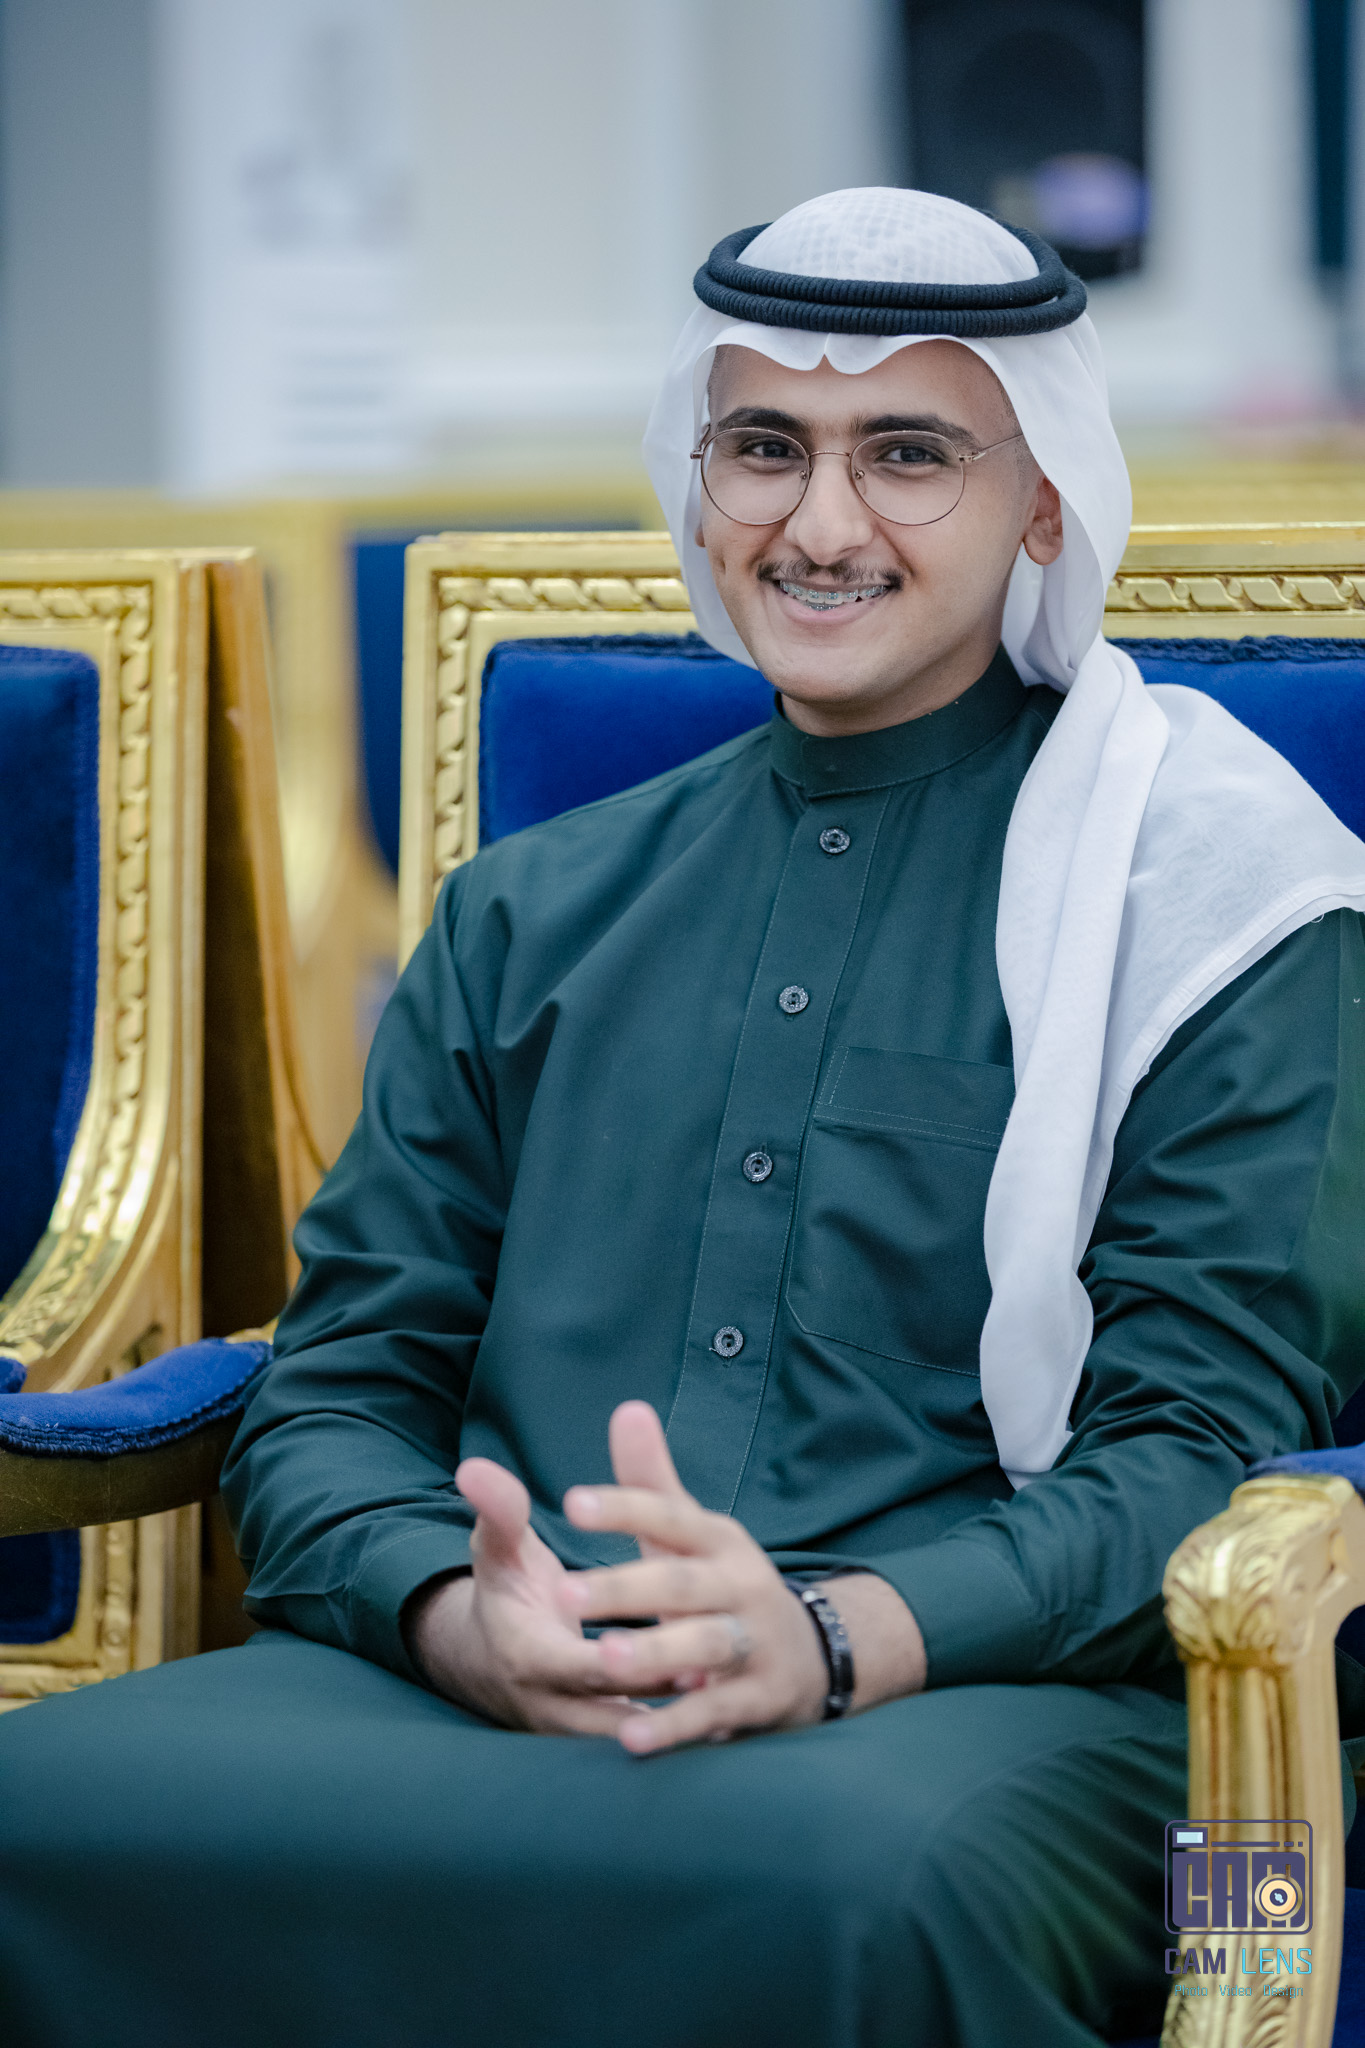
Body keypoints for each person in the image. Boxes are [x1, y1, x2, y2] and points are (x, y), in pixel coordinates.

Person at [4, 187, 1365, 2048]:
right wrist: (450, 1611)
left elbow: (1206, 1451)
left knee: (857, 1893)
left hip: (1024, 1690)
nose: (820, 525)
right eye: (763, 447)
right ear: (698, 477)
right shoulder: (527, 911)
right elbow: (335, 1387)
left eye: (907, 455)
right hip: (500, 1660)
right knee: (43, 1804)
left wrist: (832, 1637)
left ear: (1043, 498)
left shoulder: (1216, 898)